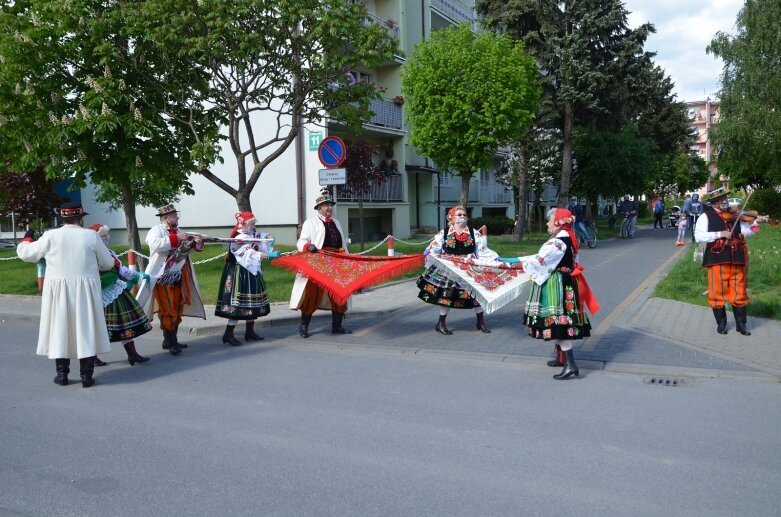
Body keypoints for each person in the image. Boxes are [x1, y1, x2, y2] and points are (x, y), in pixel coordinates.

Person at [16, 202, 116, 387]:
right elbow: (108, 263)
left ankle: (62, 375)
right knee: (86, 330)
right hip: (85, 291)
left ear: (63, 218)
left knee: (60, 329)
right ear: (80, 218)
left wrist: (27, 239)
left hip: (59, 292)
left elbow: (27, 254)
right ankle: (87, 376)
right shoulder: (91, 235)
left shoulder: (51, 236)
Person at [517, 208, 594, 380]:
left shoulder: (558, 243)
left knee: (560, 323)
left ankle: (570, 365)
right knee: (560, 321)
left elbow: (539, 261)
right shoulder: (569, 239)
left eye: (549, 220)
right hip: (566, 282)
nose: (547, 223)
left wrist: (515, 263)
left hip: (556, 284)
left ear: (558, 223)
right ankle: (562, 359)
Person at [416, 205, 498, 335]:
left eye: (464, 215)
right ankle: (441, 323)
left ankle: (480, 322)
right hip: (450, 268)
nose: (462, 217)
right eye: (459, 215)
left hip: (469, 268)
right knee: (447, 295)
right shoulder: (444, 232)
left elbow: (482, 250)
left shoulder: (473, 232)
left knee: (476, 294)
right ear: (451, 218)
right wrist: (429, 251)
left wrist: (495, 258)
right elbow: (436, 246)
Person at [695, 192, 768, 336]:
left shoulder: (734, 216)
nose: (726, 202)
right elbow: (698, 236)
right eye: (722, 200)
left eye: (726, 199)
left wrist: (755, 223)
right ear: (715, 203)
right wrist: (719, 234)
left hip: (737, 258)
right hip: (718, 258)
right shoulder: (706, 216)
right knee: (717, 291)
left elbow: (746, 232)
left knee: (739, 291)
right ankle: (721, 324)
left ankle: (741, 325)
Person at [139, 204, 206, 355]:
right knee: (168, 308)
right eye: (174, 215)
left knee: (177, 306)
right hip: (163, 276)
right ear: (165, 218)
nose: (177, 217)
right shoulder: (156, 230)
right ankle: (171, 341)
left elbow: (189, 248)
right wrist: (175, 238)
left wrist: (197, 242)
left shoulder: (181, 231)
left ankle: (169, 340)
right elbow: (154, 244)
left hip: (180, 274)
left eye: (177, 215)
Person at [290, 187, 352, 338]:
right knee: (312, 294)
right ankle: (304, 326)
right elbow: (302, 240)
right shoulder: (310, 223)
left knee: (339, 293)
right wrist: (308, 246)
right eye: (326, 205)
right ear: (319, 208)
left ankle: (337, 325)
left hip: (337, 262)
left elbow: (342, 243)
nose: (329, 207)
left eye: (330, 205)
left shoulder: (336, 222)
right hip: (318, 262)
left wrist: (348, 259)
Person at [89, 224, 153, 366]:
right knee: (97, 327)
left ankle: (133, 354)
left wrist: (138, 275)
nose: (107, 238)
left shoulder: (109, 252)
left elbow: (121, 269)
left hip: (115, 290)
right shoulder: (91, 253)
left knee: (124, 325)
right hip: (101, 294)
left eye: (107, 235)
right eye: (103, 236)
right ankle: (92, 357)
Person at [215, 211, 278, 345]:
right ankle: (228, 333)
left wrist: (269, 236)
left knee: (251, 301)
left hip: (249, 271)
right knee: (237, 303)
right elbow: (248, 252)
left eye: (254, 223)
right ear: (245, 223)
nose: (254, 226)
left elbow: (259, 237)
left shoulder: (248, 233)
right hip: (238, 271)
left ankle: (250, 331)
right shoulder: (238, 237)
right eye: (252, 223)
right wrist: (266, 255)